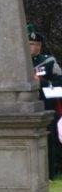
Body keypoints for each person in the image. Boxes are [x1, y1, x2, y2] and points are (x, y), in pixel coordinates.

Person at [29, 24, 62, 179]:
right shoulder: (17, 63)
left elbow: (59, 84)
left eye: (34, 44)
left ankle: (50, 172)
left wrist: (41, 82)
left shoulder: (48, 62)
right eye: (28, 43)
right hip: (25, 106)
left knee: (49, 140)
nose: (30, 46)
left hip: (46, 107)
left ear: (40, 46)